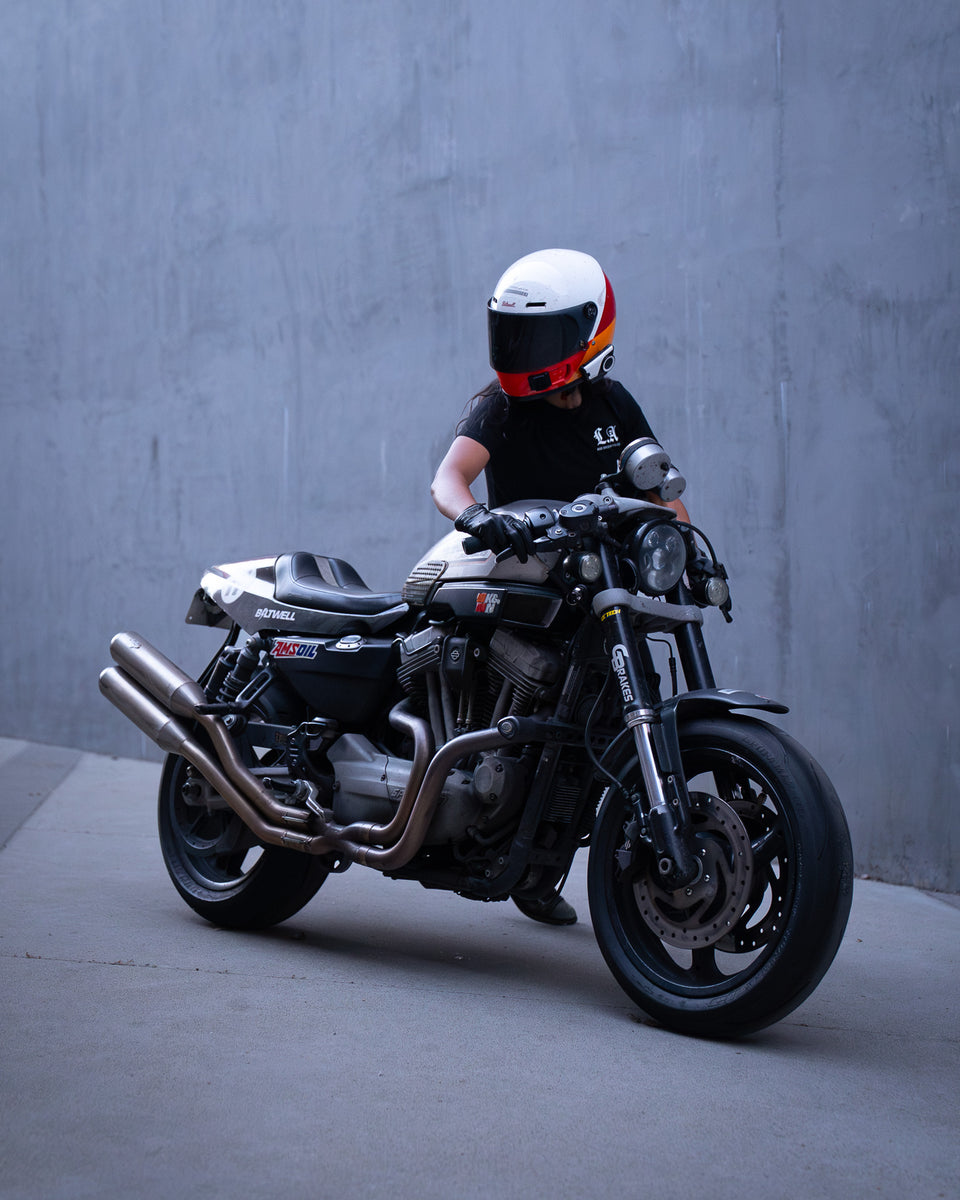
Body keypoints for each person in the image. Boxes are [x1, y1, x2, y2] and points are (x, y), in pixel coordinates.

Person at [431, 248, 689, 926]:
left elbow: (661, 492)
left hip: (598, 593)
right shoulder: (499, 407)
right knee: (536, 722)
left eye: (541, 336)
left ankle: (544, 865)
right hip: (528, 590)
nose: (525, 350)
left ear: (590, 333)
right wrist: (476, 518)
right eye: (515, 334)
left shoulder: (612, 403)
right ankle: (518, 852)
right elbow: (449, 479)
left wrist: (685, 546)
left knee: (605, 723)